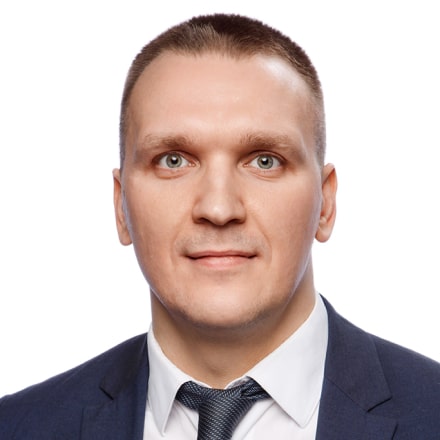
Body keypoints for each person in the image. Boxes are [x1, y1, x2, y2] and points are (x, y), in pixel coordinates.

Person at [1, 13, 439, 440]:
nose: (218, 207)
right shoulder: (17, 427)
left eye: (264, 161)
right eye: (173, 160)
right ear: (121, 207)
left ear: (325, 203)